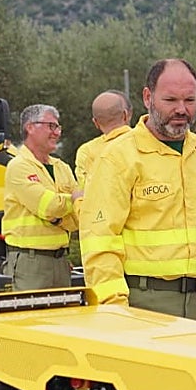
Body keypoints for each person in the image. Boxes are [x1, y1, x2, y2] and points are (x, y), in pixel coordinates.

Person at [82, 59, 196, 325]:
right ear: (148, 97)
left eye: (190, 100)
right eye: (170, 100)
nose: (181, 110)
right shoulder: (118, 157)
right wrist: (114, 307)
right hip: (143, 305)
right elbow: (99, 239)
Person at [2, 104, 79, 290]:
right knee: (29, 317)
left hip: (61, 262)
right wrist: (72, 200)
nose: (57, 133)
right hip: (29, 264)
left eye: (58, 127)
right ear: (30, 127)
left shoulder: (62, 167)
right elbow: (48, 207)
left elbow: (79, 216)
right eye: (51, 126)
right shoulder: (18, 166)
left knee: (61, 318)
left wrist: (58, 216)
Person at [71, 91, 132, 266]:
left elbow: (88, 208)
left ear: (96, 123)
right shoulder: (147, 144)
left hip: (108, 250)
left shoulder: (87, 152)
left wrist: (77, 200)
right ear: (126, 115)